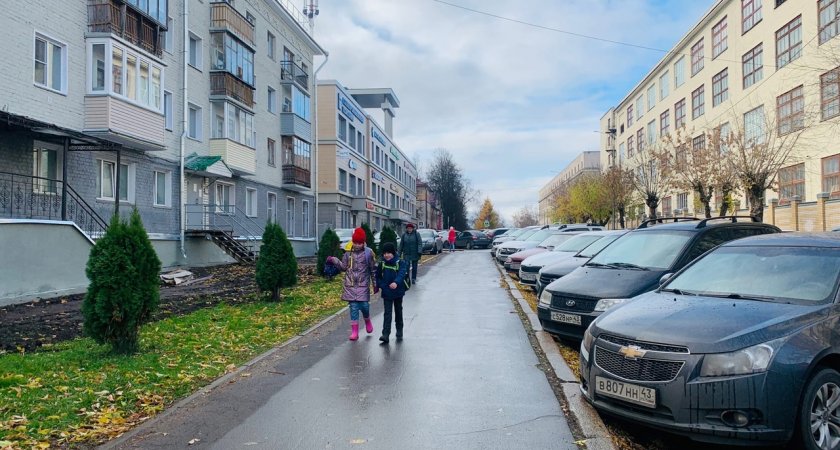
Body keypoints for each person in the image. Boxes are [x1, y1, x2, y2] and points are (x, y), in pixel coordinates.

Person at [326, 227, 377, 341]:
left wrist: (375, 284)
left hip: (363, 284)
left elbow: (373, 269)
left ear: (363, 242)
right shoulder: (348, 254)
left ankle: (367, 320)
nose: (357, 245)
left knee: (364, 306)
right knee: (353, 307)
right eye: (355, 243)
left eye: (359, 243)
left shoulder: (369, 253)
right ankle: (355, 332)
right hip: (350, 285)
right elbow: (343, 267)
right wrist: (334, 260)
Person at [376, 242, 408, 344]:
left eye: (389, 253)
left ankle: (399, 329)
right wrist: (383, 286)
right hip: (387, 292)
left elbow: (402, 273)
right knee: (387, 313)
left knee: (398, 311)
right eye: (385, 253)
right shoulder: (382, 264)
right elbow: (378, 278)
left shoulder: (400, 262)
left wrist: (396, 282)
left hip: (398, 291)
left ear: (393, 253)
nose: (386, 255)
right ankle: (385, 334)